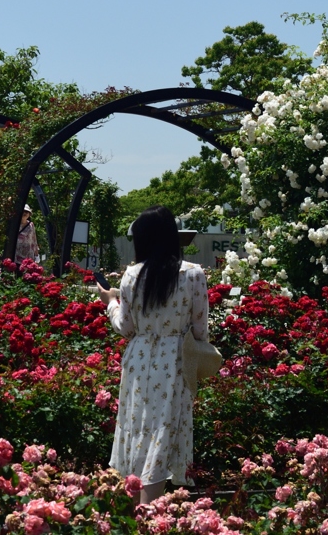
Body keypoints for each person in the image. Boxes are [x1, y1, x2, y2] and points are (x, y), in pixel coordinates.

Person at [97, 205, 208, 504]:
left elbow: (126, 326)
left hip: (139, 358)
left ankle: (136, 509)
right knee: (165, 428)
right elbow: (200, 330)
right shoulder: (194, 274)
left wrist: (109, 302)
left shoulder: (132, 275)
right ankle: (147, 512)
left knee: (139, 429)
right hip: (176, 360)